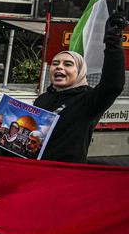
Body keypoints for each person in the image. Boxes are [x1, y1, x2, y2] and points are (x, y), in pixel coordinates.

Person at [32, 17, 125, 162]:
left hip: (66, 176)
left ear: (80, 71)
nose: (59, 67)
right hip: (36, 172)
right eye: (55, 63)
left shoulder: (88, 100)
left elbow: (113, 85)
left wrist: (113, 42)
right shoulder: (42, 99)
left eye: (68, 64)